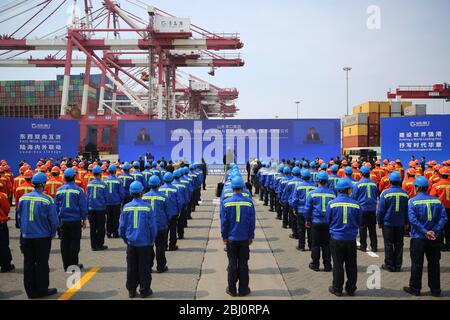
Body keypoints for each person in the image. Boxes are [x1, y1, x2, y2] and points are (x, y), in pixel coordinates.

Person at [404, 176, 448, 297]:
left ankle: (415, 288)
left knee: (417, 264)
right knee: (434, 263)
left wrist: (425, 231)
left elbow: (412, 219)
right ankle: (435, 289)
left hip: (418, 238)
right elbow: (444, 218)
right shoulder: (437, 201)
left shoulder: (412, 201)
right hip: (434, 238)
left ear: (416, 187)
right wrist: (434, 231)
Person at [17, 172, 59, 299]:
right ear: (43, 184)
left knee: (28, 263)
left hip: (26, 236)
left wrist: (24, 230)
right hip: (42, 236)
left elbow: (19, 217)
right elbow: (54, 220)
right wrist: (52, 233)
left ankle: (30, 290)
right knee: (41, 263)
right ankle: (42, 289)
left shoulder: (23, 198)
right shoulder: (47, 199)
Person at [119, 181, 157, 298]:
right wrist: (152, 239)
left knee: (131, 267)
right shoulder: (147, 207)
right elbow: (152, 226)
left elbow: (122, 226)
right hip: (144, 242)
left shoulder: (126, 207)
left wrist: (125, 238)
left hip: (131, 242)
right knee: (144, 267)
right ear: (141, 193)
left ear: (130, 192)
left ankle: (131, 290)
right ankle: (144, 290)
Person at [221, 176, 255, 297]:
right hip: (244, 238)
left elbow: (224, 223)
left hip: (231, 238)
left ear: (232, 188)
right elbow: (252, 221)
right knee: (243, 264)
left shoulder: (226, 202)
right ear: (242, 187)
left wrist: (224, 236)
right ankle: (243, 289)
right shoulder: (249, 202)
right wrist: (251, 236)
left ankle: (232, 289)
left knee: (232, 264)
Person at [327, 178, 361, 297]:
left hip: (336, 239)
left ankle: (337, 289)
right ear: (347, 190)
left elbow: (328, 220)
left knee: (337, 264)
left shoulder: (331, 204)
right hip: (351, 239)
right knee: (351, 265)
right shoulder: (356, 205)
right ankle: (351, 289)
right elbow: (359, 221)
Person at [55, 168, 88, 271]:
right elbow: (83, 206)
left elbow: (56, 207)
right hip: (75, 220)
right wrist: (84, 219)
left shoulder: (59, 190)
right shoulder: (79, 190)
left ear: (64, 178)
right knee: (74, 243)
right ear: (74, 177)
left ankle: (66, 265)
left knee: (64, 243)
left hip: (63, 220)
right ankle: (73, 265)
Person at [377, 172, 409, 272]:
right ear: (400, 181)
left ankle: (390, 265)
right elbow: (407, 210)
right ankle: (398, 265)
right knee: (399, 244)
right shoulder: (405, 193)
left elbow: (380, 210)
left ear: (390, 181)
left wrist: (379, 221)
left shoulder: (385, 193)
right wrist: (407, 222)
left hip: (388, 223)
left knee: (388, 244)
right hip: (400, 223)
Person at [304, 171, 335, 272]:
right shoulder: (332, 194)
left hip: (316, 222)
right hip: (327, 223)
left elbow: (308, 208)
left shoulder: (312, 193)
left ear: (317, 180)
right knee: (326, 244)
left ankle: (315, 264)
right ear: (327, 181)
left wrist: (307, 220)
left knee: (315, 244)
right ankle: (327, 265)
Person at [143, 176, 170, 273]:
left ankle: (149, 266)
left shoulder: (144, 196)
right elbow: (168, 211)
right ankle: (161, 267)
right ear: (159, 184)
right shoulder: (163, 197)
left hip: (148, 226)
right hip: (160, 225)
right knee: (160, 246)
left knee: (149, 247)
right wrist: (167, 222)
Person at [352, 166, 379, 252]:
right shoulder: (374, 184)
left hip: (362, 209)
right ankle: (374, 247)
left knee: (362, 228)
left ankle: (363, 246)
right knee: (372, 229)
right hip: (372, 209)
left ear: (361, 174)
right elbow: (376, 195)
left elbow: (354, 197)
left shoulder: (358, 184)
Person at [290, 169, 316, 251]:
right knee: (310, 229)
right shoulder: (314, 187)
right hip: (311, 211)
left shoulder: (298, 187)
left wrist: (295, 209)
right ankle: (311, 246)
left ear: (302, 177)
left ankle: (301, 246)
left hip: (301, 210)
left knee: (301, 229)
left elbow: (295, 200)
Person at [86, 165, 108, 251]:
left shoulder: (89, 184)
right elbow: (106, 197)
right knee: (101, 227)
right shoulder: (103, 185)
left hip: (91, 208)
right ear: (100, 174)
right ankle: (100, 244)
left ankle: (93, 245)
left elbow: (87, 197)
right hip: (101, 209)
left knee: (92, 227)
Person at [159, 172, 182, 251]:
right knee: (173, 229)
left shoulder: (160, 189)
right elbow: (179, 202)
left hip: (164, 213)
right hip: (173, 212)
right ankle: (172, 245)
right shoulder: (175, 189)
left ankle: (164, 245)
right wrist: (179, 211)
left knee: (165, 229)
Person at [430, 166, 450, 251]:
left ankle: (441, 244)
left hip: (441, 209)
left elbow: (432, 197)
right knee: (449, 227)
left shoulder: (437, 185)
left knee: (440, 227)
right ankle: (449, 244)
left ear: (440, 174)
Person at [104, 165, 125, 239]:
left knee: (109, 218)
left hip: (107, 202)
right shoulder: (118, 180)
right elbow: (121, 192)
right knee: (116, 218)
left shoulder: (105, 180)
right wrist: (121, 201)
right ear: (115, 171)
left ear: (109, 171)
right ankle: (115, 233)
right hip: (116, 202)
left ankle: (108, 232)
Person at [0, 187, 14, 272]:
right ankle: (5, 266)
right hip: (1, 224)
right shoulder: (1, 196)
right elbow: (7, 208)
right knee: (3, 245)